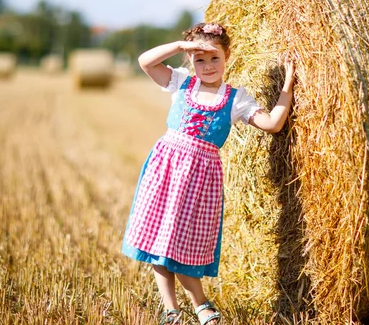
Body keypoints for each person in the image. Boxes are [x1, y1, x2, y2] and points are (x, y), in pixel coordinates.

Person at [122, 22, 296, 325]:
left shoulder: (236, 98)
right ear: (190, 60)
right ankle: (171, 310)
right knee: (157, 242)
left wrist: (287, 87)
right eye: (199, 59)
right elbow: (145, 62)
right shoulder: (181, 83)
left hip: (201, 181)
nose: (207, 65)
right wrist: (180, 47)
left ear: (228, 55)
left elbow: (273, 124)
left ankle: (201, 303)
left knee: (184, 246)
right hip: (165, 169)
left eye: (215, 57)